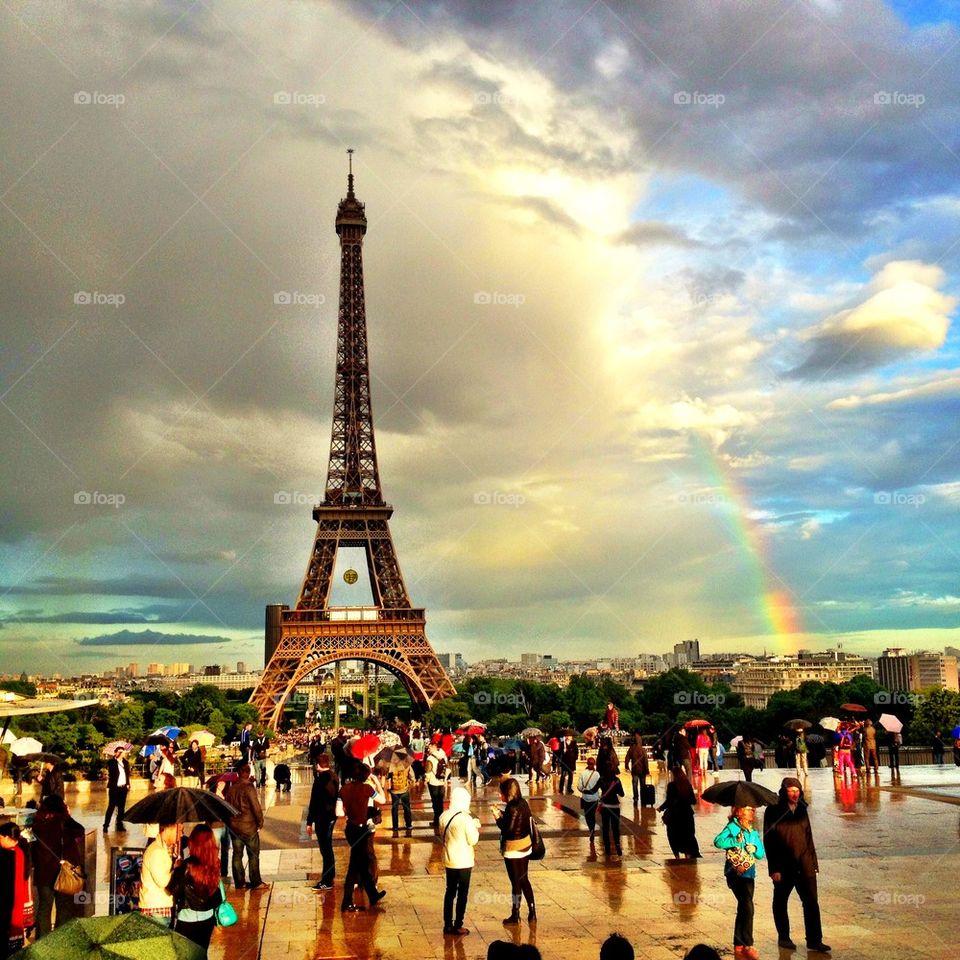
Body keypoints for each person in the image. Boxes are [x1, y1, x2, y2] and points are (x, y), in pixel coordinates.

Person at [763, 777, 831, 954]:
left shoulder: (802, 808)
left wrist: (814, 862)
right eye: (791, 790)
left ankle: (815, 940)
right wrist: (774, 868)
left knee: (811, 903)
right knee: (780, 901)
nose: (794, 794)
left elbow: (808, 836)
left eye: (797, 790)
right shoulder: (773, 810)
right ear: (784, 791)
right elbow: (769, 841)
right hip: (784, 866)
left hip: (805, 863)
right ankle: (784, 936)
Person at [714, 806, 765, 960]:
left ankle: (738, 943)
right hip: (735, 873)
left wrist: (754, 848)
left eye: (753, 810)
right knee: (748, 906)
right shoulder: (732, 827)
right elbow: (718, 841)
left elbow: (761, 854)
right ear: (739, 812)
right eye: (748, 809)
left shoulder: (753, 831)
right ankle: (748, 944)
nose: (752, 812)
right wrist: (734, 840)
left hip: (749, 874)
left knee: (744, 907)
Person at [31, 794, 84, 937]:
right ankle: (59, 940)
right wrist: (68, 815)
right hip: (63, 872)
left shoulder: (37, 825)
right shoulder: (64, 822)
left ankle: (42, 941)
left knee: (44, 907)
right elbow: (80, 830)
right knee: (64, 908)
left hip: (44, 873)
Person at [168, 824, 223, 955]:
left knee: (183, 955)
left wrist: (175, 869)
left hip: (188, 918)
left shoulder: (188, 865)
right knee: (201, 953)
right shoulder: (215, 862)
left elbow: (173, 889)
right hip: (208, 916)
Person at [339, 762, 386, 912]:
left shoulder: (344, 789)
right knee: (354, 866)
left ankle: (372, 894)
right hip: (362, 829)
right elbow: (383, 800)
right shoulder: (367, 788)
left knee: (362, 862)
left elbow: (339, 813)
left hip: (350, 829)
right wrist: (378, 783)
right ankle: (346, 901)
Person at [494, 777, 535, 925]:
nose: (500, 795)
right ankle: (532, 912)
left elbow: (508, 829)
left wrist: (497, 818)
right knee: (524, 879)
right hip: (526, 846)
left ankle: (515, 914)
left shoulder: (511, 808)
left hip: (513, 849)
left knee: (515, 882)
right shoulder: (523, 803)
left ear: (508, 793)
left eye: (501, 793)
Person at [439, 786, 480, 935]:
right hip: (464, 861)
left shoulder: (443, 816)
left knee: (450, 892)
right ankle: (458, 924)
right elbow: (473, 840)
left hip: (450, 859)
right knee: (462, 894)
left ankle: (447, 924)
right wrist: (475, 827)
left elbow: (441, 834)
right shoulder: (465, 818)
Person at [224, 764, 266, 890]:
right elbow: (256, 807)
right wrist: (260, 822)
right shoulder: (249, 787)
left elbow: (226, 807)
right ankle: (255, 881)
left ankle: (239, 882)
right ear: (248, 773)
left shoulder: (232, 788)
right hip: (248, 826)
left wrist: (230, 823)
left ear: (238, 773)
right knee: (253, 854)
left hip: (235, 827)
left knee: (237, 854)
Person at [305, 754, 339, 890]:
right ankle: (330, 876)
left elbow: (314, 802)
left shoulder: (319, 781)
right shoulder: (334, 777)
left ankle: (327, 879)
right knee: (327, 848)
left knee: (325, 849)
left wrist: (309, 821)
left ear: (317, 765)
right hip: (331, 816)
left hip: (322, 817)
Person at [139, 822, 180, 925]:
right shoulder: (157, 851)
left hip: (157, 908)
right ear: (168, 830)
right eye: (179, 831)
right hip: (156, 911)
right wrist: (176, 869)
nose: (181, 835)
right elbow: (163, 882)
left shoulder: (161, 849)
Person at [0, 823, 31, 958]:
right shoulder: (21, 851)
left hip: (7, 902)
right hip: (17, 900)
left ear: (7, 837)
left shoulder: (6, 854)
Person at [659, 766, 701, 860]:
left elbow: (669, 801)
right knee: (687, 835)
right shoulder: (687, 784)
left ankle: (677, 857)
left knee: (673, 836)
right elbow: (693, 801)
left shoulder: (671, 786)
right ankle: (688, 855)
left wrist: (661, 808)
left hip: (675, 816)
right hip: (687, 815)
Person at [598, 766, 624, 860]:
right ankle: (617, 845)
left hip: (605, 806)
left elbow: (594, 789)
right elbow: (622, 794)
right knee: (615, 827)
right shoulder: (617, 780)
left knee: (605, 827)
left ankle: (607, 848)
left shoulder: (602, 780)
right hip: (615, 806)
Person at [104, 745, 131, 832]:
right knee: (111, 807)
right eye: (119, 752)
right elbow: (111, 771)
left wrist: (128, 784)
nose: (120, 753)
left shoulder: (126, 763)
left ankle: (120, 825)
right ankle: (106, 825)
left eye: (122, 752)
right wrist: (118, 757)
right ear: (115, 753)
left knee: (121, 808)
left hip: (123, 788)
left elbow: (127, 775)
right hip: (114, 788)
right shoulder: (111, 762)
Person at [577, 756, 602, 840]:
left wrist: (584, 790)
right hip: (594, 799)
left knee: (587, 815)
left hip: (585, 799)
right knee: (592, 815)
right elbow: (600, 787)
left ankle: (590, 828)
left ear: (587, 764)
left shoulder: (583, 773)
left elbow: (579, 786)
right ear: (594, 764)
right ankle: (592, 828)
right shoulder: (597, 774)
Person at [389, 755, 413, 836]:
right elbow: (412, 776)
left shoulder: (391, 766)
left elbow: (387, 776)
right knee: (406, 807)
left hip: (394, 790)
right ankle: (409, 825)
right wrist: (411, 782)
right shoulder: (407, 765)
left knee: (394, 809)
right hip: (404, 789)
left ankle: (395, 826)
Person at [426, 742, 448, 828]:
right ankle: (441, 819)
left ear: (434, 747)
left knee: (435, 801)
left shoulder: (430, 758)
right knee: (440, 801)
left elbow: (428, 770)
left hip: (433, 782)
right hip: (442, 782)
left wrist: (426, 779)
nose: (428, 749)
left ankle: (436, 820)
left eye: (430, 748)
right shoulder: (444, 756)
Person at [624, 732, 649, 807]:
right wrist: (647, 770)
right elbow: (645, 761)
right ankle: (643, 798)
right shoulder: (642, 749)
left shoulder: (631, 749)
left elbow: (627, 758)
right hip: (642, 771)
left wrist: (626, 766)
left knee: (634, 785)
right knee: (643, 785)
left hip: (634, 770)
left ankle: (635, 798)